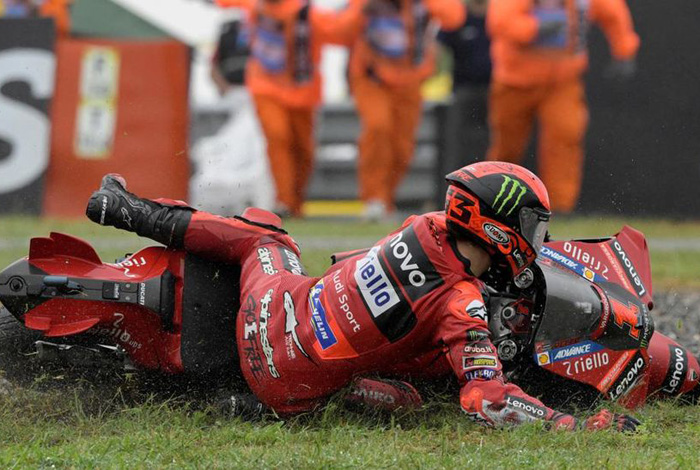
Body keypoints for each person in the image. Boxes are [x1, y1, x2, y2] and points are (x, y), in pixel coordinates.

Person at [85, 161, 639, 431]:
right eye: (530, 226)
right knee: (414, 399)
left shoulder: (421, 226)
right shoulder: (462, 305)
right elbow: (485, 399)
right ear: (497, 227)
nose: (536, 239)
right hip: (288, 390)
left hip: (272, 309)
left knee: (267, 237)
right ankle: (247, 406)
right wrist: (575, 424)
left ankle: (129, 209)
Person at [486, 0, 639, 214]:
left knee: (565, 137)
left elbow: (613, 12)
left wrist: (624, 49)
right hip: (515, 81)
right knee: (507, 147)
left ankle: (559, 208)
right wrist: (536, 28)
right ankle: (493, 202)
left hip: (563, 81)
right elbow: (500, 21)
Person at [214, 0, 362, 218]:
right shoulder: (256, 5)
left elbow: (341, 33)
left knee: (304, 150)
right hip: (265, 86)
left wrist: (361, 7)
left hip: (303, 93)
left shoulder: (308, 14)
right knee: (278, 137)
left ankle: (294, 203)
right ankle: (283, 200)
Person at [341, 0, 466, 221]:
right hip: (373, 77)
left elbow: (453, 17)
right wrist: (364, 8)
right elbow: (339, 31)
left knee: (403, 146)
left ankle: (385, 199)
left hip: (409, 80)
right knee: (378, 128)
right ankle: (374, 197)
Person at [190, 18, 276, 216]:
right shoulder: (230, 29)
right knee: (233, 153)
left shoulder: (268, 23)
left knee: (257, 152)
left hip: (258, 96)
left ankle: (263, 202)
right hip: (238, 98)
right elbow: (214, 68)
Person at [437, 0, 492, 194]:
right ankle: (455, 193)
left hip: (497, 91)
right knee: (458, 145)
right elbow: (438, 48)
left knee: (493, 144)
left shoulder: (498, 16)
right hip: (463, 89)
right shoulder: (457, 17)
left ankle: (490, 195)